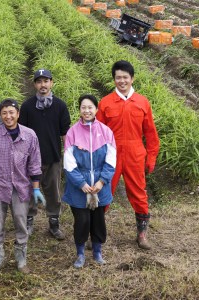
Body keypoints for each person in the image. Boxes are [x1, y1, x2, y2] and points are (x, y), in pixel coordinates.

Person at [96, 60, 160, 250]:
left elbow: (151, 134)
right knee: (103, 191)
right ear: (114, 80)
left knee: (139, 193)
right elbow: (98, 134)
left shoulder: (142, 102)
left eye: (125, 77)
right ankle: (97, 233)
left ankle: (142, 234)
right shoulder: (106, 102)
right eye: (118, 77)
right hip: (111, 155)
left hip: (135, 154)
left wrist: (151, 157)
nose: (122, 81)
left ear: (132, 79)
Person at [0, 99, 45, 275]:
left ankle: (21, 258)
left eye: (11, 112)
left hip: (21, 187)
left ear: (18, 114)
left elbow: (34, 164)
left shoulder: (30, 135)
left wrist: (36, 188)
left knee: (20, 220)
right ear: (0, 115)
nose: (8, 116)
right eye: (4, 113)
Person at [62, 95, 116, 268]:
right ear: (79, 110)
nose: (87, 111)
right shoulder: (72, 132)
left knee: (98, 220)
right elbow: (69, 163)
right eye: (83, 107)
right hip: (79, 187)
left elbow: (111, 160)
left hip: (100, 186)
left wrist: (101, 182)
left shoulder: (106, 132)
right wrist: (82, 184)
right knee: (82, 220)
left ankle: (97, 252)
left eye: (90, 107)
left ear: (96, 109)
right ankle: (80, 253)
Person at [18, 69, 71, 240]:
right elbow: (22, 133)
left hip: (53, 157)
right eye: (39, 81)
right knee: (28, 191)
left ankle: (54, 223)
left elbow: (65, 133)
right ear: (34, 84)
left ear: (51, 83)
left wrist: (68, 155)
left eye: (46, 81)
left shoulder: (60, 106)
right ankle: (29, 221)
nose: (43, 85)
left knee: (53, 192)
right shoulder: (27, 106)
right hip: (30, 159)